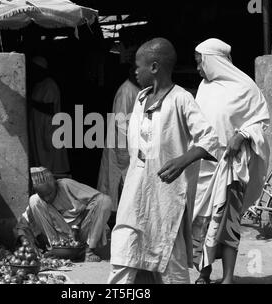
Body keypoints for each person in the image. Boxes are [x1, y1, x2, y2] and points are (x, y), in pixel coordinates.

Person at [107, 38, 220, 284]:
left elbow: (210, 139)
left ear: (155, 67)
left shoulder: (181, 99)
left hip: (166, 199)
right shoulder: (140, 99)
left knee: (169, 260)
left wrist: (183, 161)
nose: (135, 71)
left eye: (139, 66)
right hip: (136, 194)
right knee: (124, 254)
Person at [192, 38, 270, 284]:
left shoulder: (245, 87)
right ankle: (204, 274)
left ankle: (227, 278)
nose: (198, 68)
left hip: (232, 167)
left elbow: (260, 120)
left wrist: (242, 135)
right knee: (201, 223)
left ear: (213, 60)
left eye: (200, 62)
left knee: (229, 224)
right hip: (204, 166)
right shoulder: (204, 87)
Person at [16, 167, 112, 262]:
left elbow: (98, 199)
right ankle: (56, 251)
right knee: (33, 200)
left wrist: (79, 222)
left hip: (82, 233)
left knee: (104, 200)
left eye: (49, 194)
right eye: (43, 196)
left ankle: (89, 251)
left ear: (56, 185)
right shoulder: (38, 201)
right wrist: (26, 241)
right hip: (61, 240)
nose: (47, 198)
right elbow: (22, 224)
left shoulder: (66, 185)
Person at [97, 64, 141, 212]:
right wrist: (123, 153)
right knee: (117, 185)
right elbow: (121, 124)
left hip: (131, 147)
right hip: (121, 148)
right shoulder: (127, 91)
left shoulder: (138, 90)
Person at [28, 56, 70, 177]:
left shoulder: (50, 84)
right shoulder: (38, 85)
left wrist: (32, 103)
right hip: (40, 128)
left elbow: (50, 108)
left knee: (51, 159)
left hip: (49, 128)